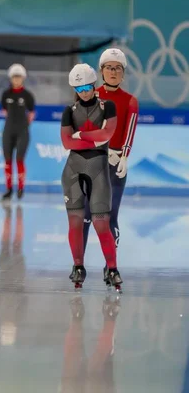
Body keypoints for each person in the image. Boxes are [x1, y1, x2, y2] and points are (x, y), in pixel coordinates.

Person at [60, 63, 122, 291]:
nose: (84, 91)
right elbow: (67, 142)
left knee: (100, 223)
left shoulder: (109, 106)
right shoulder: (69, 111)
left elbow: (107, 135)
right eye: (78, 88)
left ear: (94, 84)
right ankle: (78, 266)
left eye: (87, 86)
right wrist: (92, 139)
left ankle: (113, 268)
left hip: (99, 169)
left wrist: (80, 134)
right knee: (75, 223)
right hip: (73, 170)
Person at [83, 48, 139, 253]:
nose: (113, 72)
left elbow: (129, 130)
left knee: (110, 217)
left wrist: (124, 156)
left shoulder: (131, 100)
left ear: (123, 73)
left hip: (116, 165)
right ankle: (78, 265)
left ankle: (111, 266)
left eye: (117, 68)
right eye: (109, 68)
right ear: (101, 71)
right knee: (86, 216)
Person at [0, 64, 35, 200]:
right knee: (8, 161)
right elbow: (4, 111)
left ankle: (21, 188)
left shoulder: (27, 95)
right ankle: (9, 189)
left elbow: (31, 113)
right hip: (8, 130)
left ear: (23, 78)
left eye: (19, 77)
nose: (16, 80)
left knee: (19, 159)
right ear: (10, 78)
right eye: (14, 77)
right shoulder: (5, 94)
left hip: (22, 131)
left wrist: (24, 126)